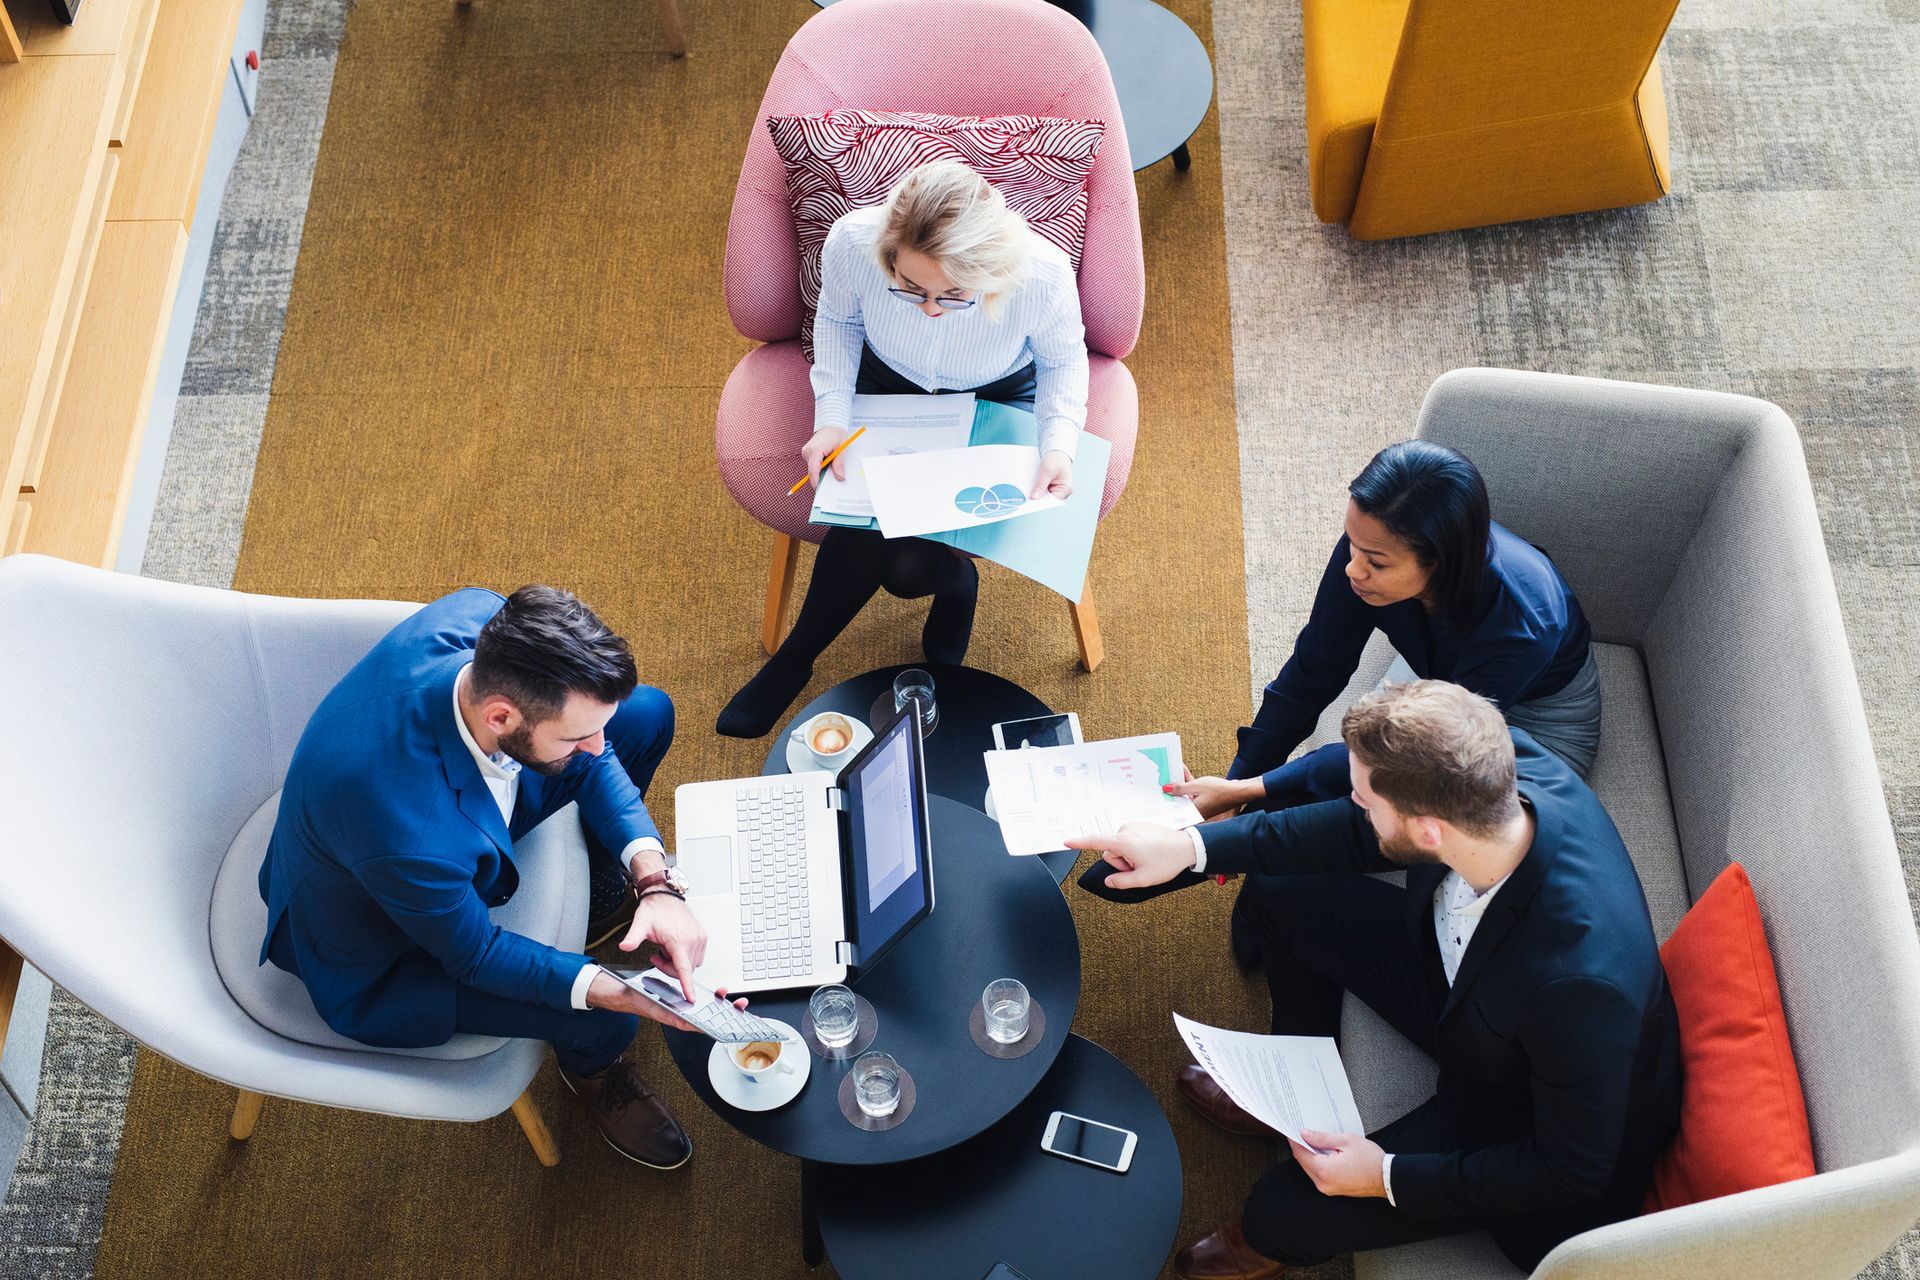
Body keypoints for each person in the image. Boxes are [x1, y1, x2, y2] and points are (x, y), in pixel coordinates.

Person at [1065, 681, 1680, 1280]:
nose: (1354, 806)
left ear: (1428, 830)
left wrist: (1384, 1174)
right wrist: (1191, 847)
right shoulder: (1501, 766)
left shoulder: (1579, 986)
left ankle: (1264, 1239)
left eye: (1367, 801)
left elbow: (1571, 1171)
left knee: (1276, 1211)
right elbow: (1350, 828)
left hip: (1519, 1108)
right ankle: (1289, 1092)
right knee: (1282, 894)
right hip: (1462, 986)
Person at [258, 584, 738, 1169]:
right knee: (598, 1017)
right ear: (501, 716)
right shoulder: (409, 833)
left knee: (647, 715)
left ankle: (606, 893)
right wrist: (626, 993)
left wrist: (654, 882)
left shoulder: (482, 618)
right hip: (382, 955)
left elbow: (598, 748)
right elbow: (476, 956)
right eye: (576, 736)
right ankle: (595, 1072)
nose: (596, 746)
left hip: (454, 823)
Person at [717, 159, 1089, 738]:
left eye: (954, 295)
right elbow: (837, 322)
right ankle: (799, 657)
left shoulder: (1041, 273)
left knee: (910, 567)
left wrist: (1059, 446)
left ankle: (947, 589)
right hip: (889, 381)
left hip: (996, 392)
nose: (932, 309)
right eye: (910, 289)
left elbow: (1064, 361)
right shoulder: (853, 241)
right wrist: (832, 420)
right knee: (866, 519)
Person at [1171, 440, 1600, 824]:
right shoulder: (1369, 543)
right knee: (1321, 802)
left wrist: (1249, 792)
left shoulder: (1523, 624)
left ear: (1440, 563)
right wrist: (1242, 775)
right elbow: (1315, 667)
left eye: (1375, 563)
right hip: (1444, 681)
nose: (1353, 569)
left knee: (1389, 815)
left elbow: (1422, 750)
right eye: (1352, 544)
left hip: (1535, 720)